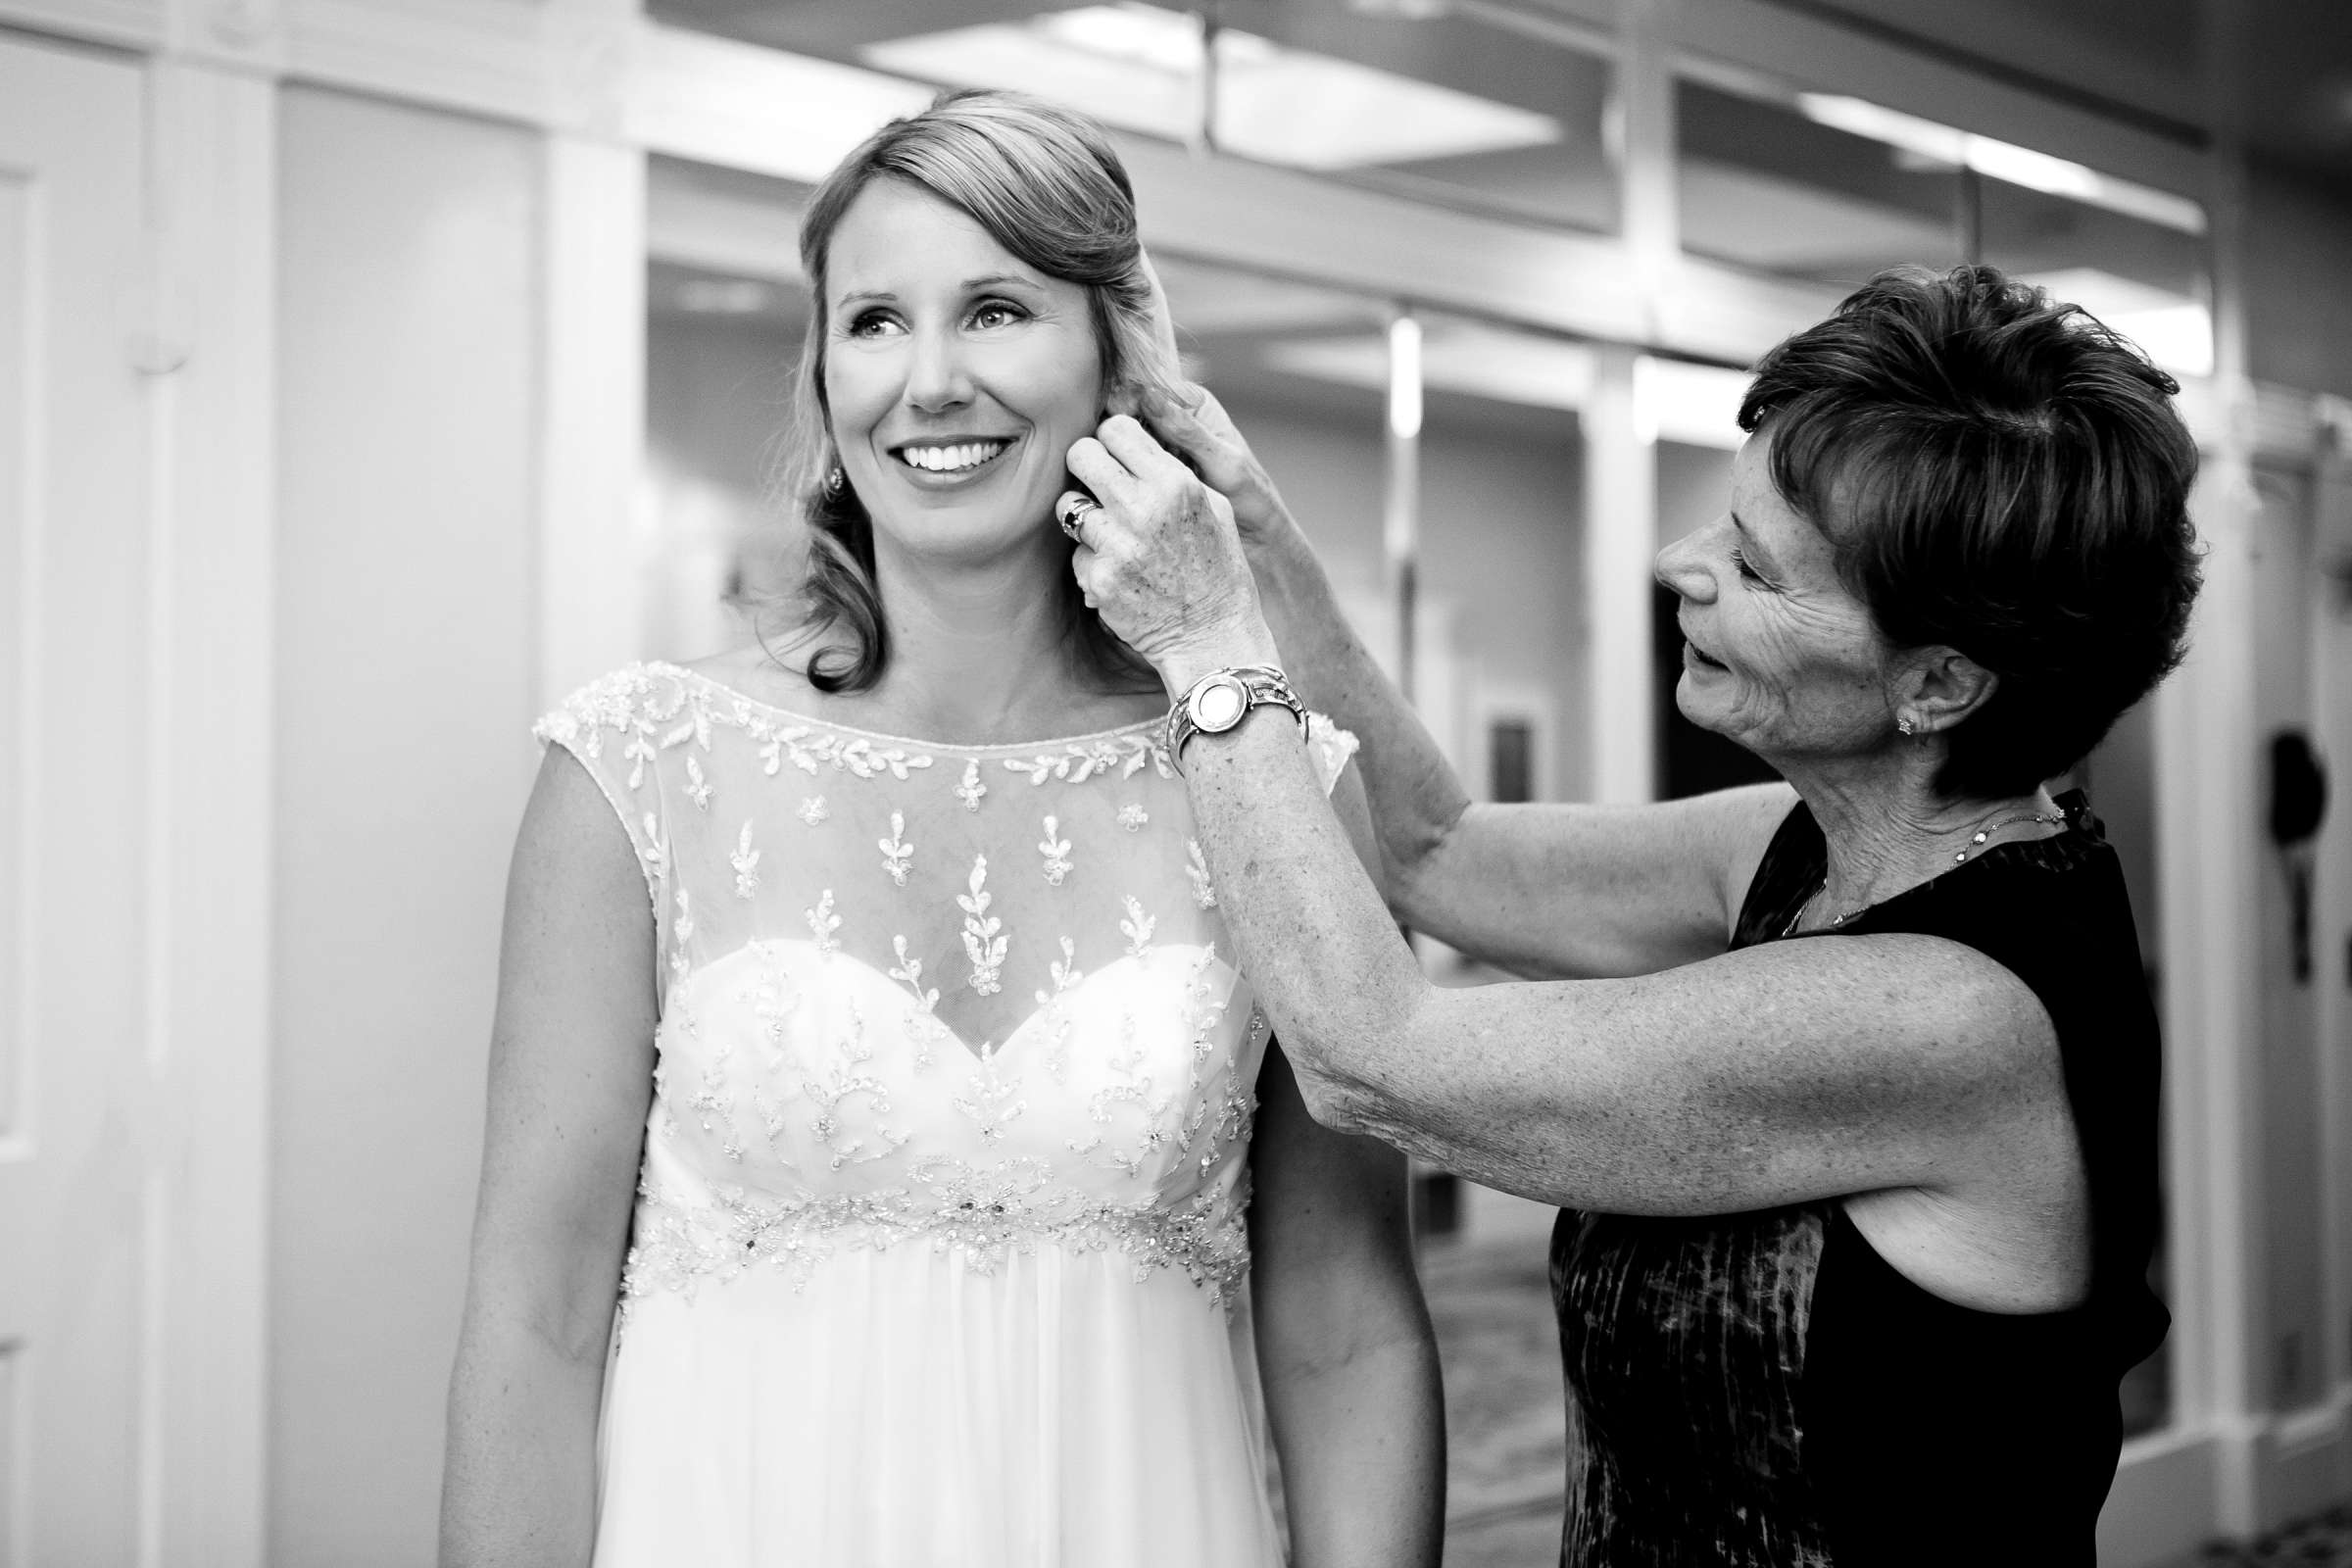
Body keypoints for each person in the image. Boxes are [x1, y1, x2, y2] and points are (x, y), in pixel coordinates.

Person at [439, 90, 1443, 1568]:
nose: (927, 381)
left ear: (1115, 354)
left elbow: (1348, 1330)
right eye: (874, 321)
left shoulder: (1276, 779)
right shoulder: (639, 769)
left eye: (993, 310)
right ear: (825, 370)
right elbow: (532, 1323)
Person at [1063, 265, 2196, 1566]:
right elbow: (1438, 849)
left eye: (1756, 570)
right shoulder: (1806, 847)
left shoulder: (1949, 1015)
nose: (1679, 566)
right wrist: (1256, 535)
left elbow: (1372, 1057)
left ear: (1939, 680)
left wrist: (1212, 652)